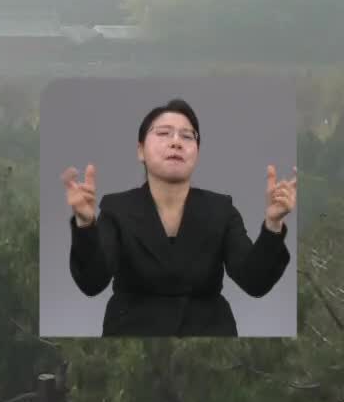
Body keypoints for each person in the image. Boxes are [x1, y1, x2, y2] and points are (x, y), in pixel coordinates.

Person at [63, 98, 296, 336]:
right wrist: (84, 224)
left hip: (209, 341)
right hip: (132, 339)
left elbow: (254, 282)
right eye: (163, 133)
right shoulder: (117, 209)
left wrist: (273, 224)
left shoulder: (221, 210)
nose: (176, 142)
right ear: (140, 150)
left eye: (187, 136)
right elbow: (92, 282)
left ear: (197, 152)